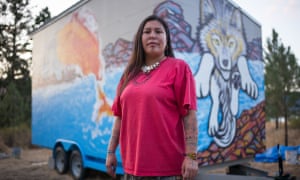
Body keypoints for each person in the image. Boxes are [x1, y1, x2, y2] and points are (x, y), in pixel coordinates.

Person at [106, 15, 198, 179]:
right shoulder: (128, 74)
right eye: (147, 32)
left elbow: (189, 116)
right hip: (131, 168)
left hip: (166, 169)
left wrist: (191, 157)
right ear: (140, 39)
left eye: (158, 31)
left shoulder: (179, 68)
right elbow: (119, 117)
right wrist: (111, 151)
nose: (153, 35)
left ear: (166, 40)